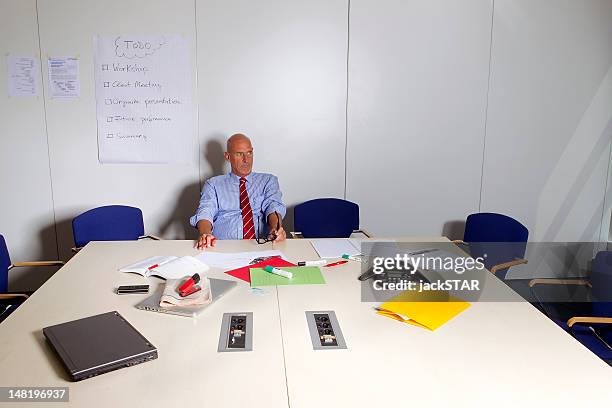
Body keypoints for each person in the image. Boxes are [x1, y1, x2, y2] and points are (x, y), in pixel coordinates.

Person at [190, 133, 287, 249]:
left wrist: (275, 229)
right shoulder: (213, 184)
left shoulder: (268, 180)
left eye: (249, 153)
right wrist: (205, 234)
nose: (246, 160)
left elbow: (273, 207)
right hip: (223, 247)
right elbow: (205, 213)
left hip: (261, 246)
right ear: (227, 156)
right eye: (239, 154)